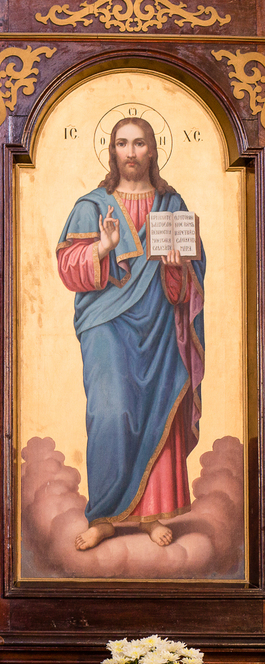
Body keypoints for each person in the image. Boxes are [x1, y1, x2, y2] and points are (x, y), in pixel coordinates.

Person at [55, 117, 205, 551]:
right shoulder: (91, 205)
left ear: (153, 150)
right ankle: (103, 515)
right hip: (106, 323)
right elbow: (67, 268)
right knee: (111, 410)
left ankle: (150, 514)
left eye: (140, 143)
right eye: (123, 143)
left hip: (159, 323)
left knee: (158, 408)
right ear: (112, 150)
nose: (132, 152)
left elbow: (190, 278)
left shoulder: (171, 204)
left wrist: (178, 267)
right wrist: (102, 247)